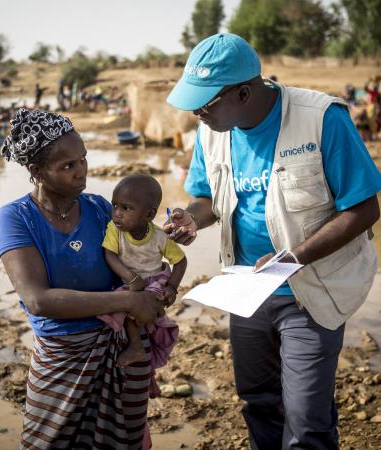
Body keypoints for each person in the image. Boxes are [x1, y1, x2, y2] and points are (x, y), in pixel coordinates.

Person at [165, 33, 381, 449]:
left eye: (204, 104)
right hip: (247, 290)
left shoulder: (320, 118)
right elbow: (207, 198)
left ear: (244, 92)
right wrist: (191, 219)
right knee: (259, 401)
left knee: (305, 423)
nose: (196, 114)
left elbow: (364, 209)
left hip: (311, 291)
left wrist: (291, 259)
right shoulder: (213, 131)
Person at [0, 108, 164, 449]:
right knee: (48, 440)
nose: (81, 172)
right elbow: (38, 300)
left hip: (118, 348)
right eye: (67, 166)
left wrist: (169, 235)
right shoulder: (16, 218)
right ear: (36, 171)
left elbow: (142, 245)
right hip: (62, 355)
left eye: (83, 160)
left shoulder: (100, 208)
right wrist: (129, 300)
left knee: (122, 439)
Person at [98, 174, 187, 372]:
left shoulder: (159, 236)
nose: (117, 214)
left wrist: (172, 287)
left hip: (155, 281)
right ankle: (137, 345)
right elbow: (109, 254)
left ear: (149, 215)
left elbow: (180, 261)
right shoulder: (115, 229)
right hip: (130, 281)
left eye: (126, 208)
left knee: (143, 308)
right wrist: (132, 278)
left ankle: (139, 346)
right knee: (122, 305)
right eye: (115, 206)